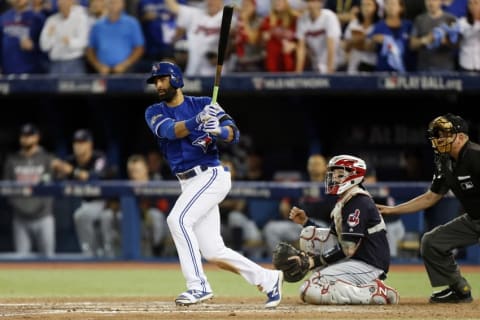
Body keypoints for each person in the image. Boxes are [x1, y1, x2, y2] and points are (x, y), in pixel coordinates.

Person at [144, 60, 283, 308]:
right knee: (214, 251)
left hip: (210, 175)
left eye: (162, 79)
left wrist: (217, 129)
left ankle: (198, 286)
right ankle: (269, 278)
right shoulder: (154, 111)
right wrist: (197, 121)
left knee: (177, 220)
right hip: (188, 183)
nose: (158, 85)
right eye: (156, 81)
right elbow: (169, 131)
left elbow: (234, 133)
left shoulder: (204, 103)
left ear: (175, 79)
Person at [376, 113, 477, 303]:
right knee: (431, 242)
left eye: (446, 135)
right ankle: (459, 289)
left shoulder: (475, 155)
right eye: (438, 136)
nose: (440, 140)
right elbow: (431, 197)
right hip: (474, 220)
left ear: (462, 137)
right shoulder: (444, 161)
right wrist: (392, 210)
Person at [280, 154, 399, 305]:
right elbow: (335, 237)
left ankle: (374, 291)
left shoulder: (358, 201)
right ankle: (340, 282)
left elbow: (347, 248)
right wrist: (306, 222)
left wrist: (312, 261)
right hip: (357, 259)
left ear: (354, 176)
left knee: (309, 289)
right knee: (309, 234)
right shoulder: (346, 199)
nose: (333, 178)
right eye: (333, 173)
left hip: (369, 263)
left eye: (340, 174)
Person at [53, 129, 116, 257]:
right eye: (76, 142)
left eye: (82, 142)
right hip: (82, 202)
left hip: (103, 202)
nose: (78, 145)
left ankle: (100, 254)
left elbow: (94, 177)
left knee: (86, 216)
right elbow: (58, 179)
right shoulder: (70, 160)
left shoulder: (98, 157)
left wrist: (72, 172)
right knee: (81, 214)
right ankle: (89, 253)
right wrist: (57, 169)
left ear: (89, 144)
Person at [2, 123, 57, 257]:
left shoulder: (47, 158)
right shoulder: (12, 160)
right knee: (21, 259)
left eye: (29, 136)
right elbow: (6, 188)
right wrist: (20, 207)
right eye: (23, 136)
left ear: (37, 137)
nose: (26, 139)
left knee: (49, 258)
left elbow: (53, 186)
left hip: (44, 216)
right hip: (20, 218)